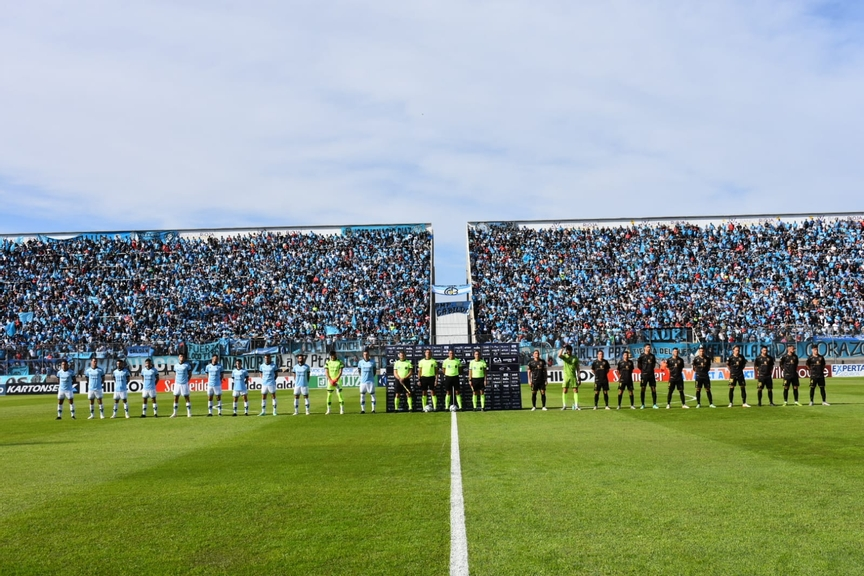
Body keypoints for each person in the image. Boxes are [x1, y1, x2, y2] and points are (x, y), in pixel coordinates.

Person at [557, 344, 581, 410]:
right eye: (567, 350)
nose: (568, 352)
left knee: (575, 390)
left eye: (569, 350)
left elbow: (578, 368)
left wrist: (579, 377)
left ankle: (576, 406)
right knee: (565, 390)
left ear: (571, 351)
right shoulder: (565, 357)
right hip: (566, 376)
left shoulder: (575, 358)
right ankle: (564, 405)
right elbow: (559, 355)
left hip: (573, 376)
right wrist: (562, 348)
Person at [637, 344, 659, 409]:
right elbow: (639, 365)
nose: (649, 348)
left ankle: (654, 404)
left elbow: (654, 364)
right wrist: (644, 370)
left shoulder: (652, 356)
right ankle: (642, 404)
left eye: (649, 347)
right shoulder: (642, 356)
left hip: (651, 375)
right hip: (644, 375)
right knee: (643, 389)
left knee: (653, 389)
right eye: (647, 347)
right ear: (644, 348)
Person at [171, 352, 193, 418]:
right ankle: (174, 413)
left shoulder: (187, 365)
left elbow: (190, 374)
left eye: (183, 356)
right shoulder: (176, 365)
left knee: (186, 397)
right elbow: (175, 373)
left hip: (184, 383)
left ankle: (189, 413)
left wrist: (187, 380)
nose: (182, 358)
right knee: (176, 397)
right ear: (178, 357)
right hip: (177, 383)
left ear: (184, 358)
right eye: (180, 356)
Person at [325, 350, 345, 415]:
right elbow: (326, 372)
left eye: (333, 355)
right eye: (331, 355)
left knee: (339, 395)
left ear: (335, 354)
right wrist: (330, 380)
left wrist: (336, 379)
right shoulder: (328, 362)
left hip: (337, 381)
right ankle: (328, 410)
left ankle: (341, 409)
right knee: (329, 395)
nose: (332, 356)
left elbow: (340, 372)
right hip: (330, 381)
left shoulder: (339, 362)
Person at [357, 349, 377, 413]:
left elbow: (374, 371)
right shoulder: (360, 362)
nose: (365, 355)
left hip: (370, 381)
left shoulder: (373, 362)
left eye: (366, 354)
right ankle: (363, 410)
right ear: (363, 355)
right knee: (362, 395)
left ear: (369, 355)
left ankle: (373, 410)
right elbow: (359, 370)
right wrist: (362, 377)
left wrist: (370, 377)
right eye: (364, 354)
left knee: (372, 395)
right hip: (363, 381)